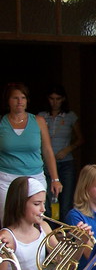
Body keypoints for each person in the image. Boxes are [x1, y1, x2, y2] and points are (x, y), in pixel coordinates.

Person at [0, 83, 62, 221]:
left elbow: (47, 150)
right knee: (8, 219)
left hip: (34, 177)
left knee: (36, 219)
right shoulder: (1, 122)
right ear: (8, 101)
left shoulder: (38, 121)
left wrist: (55, 179)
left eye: (23, 98)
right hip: (6, 178)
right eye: (15, 98)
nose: (20, 101)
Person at [38, 85, 84, 221]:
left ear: (63, 99)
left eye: (58, 99)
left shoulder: (70, 116)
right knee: (47, 202)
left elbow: (81, 139)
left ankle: (66, 230)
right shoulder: (41, 116)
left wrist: (67, 149)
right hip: (46, 164)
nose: (55, 102)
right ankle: (49, 230)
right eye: (52, 99)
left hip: (66, 163)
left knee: (66, 202)